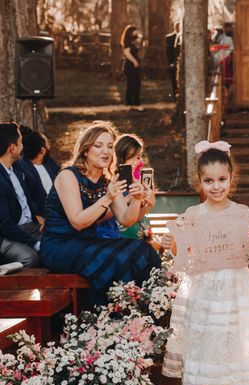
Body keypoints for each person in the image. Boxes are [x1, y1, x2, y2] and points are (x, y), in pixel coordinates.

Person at [160, 141, 249, 385]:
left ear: (231, 179)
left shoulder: (243, 214)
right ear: (200, 182)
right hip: (204, 283)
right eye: (209, 181)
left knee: (231, 336)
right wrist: (173, 244)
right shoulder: (193, 215)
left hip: (233, 283)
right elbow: (185, 256)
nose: (216, 187)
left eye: (221, 180)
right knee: (208, 335)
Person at [40, 121, 160, 305]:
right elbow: (77, 222)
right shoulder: (68, 176)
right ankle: (107, 314)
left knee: (143, 250)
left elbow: (126, 220)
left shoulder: (107, 181)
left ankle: (146, 310)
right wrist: (108, 198)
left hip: (87, 243)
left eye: (110, 146)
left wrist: (137, 199)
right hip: (60, 246)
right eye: (98, 145)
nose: (106, 151)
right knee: (118, 258)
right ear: (85, 150)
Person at [0, 123, 42, 267]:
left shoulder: (17, 169)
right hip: (7, 235)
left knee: (60, 246)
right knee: (31, 258)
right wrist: (33, 242)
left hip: (30, 227)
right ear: (12, 148)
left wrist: (41, 217)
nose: (23, 147)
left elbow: (34, 195)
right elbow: (3, 224)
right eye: (20, 143)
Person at [113, 134, 155, 241]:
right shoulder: (109, 181)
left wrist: (148, 205)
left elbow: (132, 219)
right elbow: (114, 218)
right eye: (130, 156)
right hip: (115, 239)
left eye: (137, 157)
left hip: (137, 237)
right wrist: (129, 198)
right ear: (119, 156)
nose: (135, 162)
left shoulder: (134, 182)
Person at [14, 130, 59, 214]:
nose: (49, 146)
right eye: (47, 143)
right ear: (43, 150)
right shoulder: (23, 168)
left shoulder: (49, 162)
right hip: (43, 212)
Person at [121, 25, 142, 108]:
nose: (137, 32)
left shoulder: (132, 41)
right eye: (135, 31)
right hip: (130, 66)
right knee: (134, 84)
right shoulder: (127, 42)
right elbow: (126, 53)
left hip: (133, 66)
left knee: (134, 84)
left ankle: (132, 103)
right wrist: (134, 61)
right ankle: (133, 103)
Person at [165, 22, 181, 98]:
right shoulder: (169, 37)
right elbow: (168, 52)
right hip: (173, 62)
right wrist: (171, 62)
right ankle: (175, 95)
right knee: (173, 79)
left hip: (180, 61)